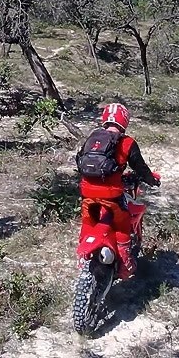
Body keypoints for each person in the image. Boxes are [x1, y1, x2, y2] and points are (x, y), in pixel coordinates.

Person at [75, 102, 160, 278]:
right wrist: (152, 180)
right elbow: (141, 168)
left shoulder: (93, 137)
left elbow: (79, 160)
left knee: (88, 223)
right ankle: (125, 264)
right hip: (111, 196)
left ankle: (82, 258)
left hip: (87, 193)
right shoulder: (127, 142)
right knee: (123, 224)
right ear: (125, 121)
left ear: (105, 118)